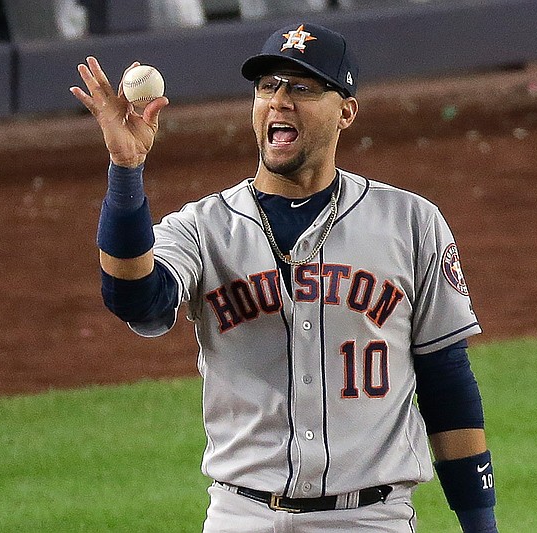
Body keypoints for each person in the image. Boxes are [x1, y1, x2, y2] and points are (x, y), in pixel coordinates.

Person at [71, 22, 498, 533]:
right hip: (242, 515)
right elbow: (134, 299)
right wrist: (125, 168)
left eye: (302, 88)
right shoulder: (203, 228)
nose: (279, 101)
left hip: (370, 518)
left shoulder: (410, 222)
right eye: (267, 86)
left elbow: (446, 380)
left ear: (346, 111)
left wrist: (480, 524)